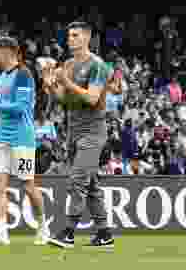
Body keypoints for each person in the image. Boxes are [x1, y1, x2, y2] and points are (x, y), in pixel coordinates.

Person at [45, 22, 115, 250]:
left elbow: (93, 99)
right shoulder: (68, 64)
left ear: (86, 38)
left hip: (93, 132)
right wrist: (50, 87)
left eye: (75, 35)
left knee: (77, 181)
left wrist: (66, 82)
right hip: (73, 131)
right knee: (90, 184)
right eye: (69, 35)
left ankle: (69, 231)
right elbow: (65, 100)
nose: (70, 39)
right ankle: (104, 233)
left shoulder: (98, 66)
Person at [0, 36, 49, 245]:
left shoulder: (24, 74)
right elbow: (1, 108)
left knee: (27, 185)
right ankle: (1, 233)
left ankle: (43, 226)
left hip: (22, 137)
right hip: (0, 135)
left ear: (7, 51)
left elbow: (20, 108)